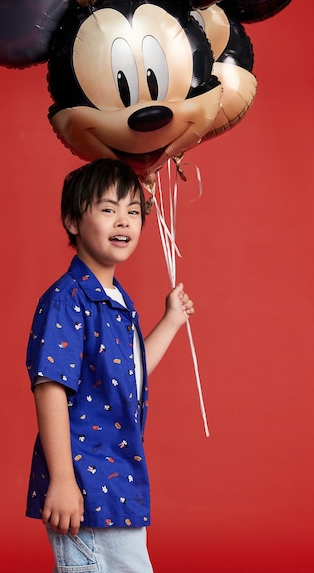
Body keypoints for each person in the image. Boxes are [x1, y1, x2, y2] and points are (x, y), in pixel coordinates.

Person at [26, 159, 194, 572]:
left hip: (117, 478)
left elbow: (129, 373)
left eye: (133, 211)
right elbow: (50, 386)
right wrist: (62, 480)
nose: (123, 220)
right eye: (107, 209)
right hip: (85, 485)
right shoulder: (68, 299)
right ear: (72, 221)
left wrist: (171, 321)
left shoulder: (115, 299)